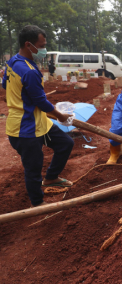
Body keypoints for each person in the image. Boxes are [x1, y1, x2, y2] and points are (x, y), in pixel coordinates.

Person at [2, 25, 75, 207]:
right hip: (25, 128)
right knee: (33, 168)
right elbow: (41, 103)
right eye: (41, 45)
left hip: (39, 122)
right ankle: (38, 204)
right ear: (29, 45)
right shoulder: (30, 71)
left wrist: (23, 96)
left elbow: (5, 86)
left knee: (65, 143)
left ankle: (51, 178)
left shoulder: (12, 63)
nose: (44, 49)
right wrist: (61, 116)